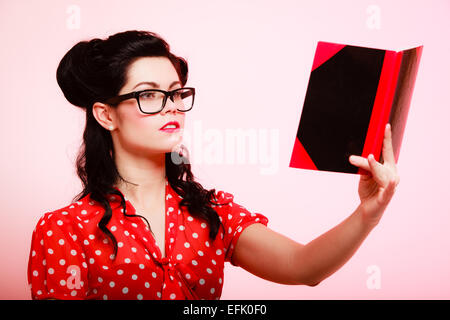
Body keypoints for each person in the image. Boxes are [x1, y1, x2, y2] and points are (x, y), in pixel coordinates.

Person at [27, 30, 400, 300]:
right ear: (106, 116)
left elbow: (304, 267)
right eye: (150, 95)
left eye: (175, 92)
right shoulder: (64, 228)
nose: (171, 105)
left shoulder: (211, 212)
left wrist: (368, 212)